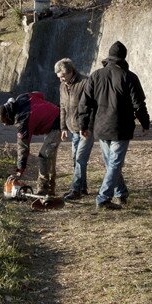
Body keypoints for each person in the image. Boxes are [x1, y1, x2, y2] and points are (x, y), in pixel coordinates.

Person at [76, 41, 149, 211]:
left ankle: (121, 193)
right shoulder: (129, 77)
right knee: (114, 163)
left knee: (111, 163)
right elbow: (138, 104)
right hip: (121, 127)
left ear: (109, 57)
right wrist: (144, 122)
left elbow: (84, 103)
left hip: (100, 127)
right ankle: (103, 198)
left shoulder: (95, 75)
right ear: (123, 57)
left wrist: (83, 125)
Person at [0, 90, 62, 197]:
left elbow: (23, 148)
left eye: (5, 121)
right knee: (49, 157)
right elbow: (39, 94)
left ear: (9, 116)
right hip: (57, 115)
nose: (5, 124)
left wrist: (19, 171)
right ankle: (51, 189)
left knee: (44, 156)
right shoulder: (22, 96)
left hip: (57, 125)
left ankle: (43, 189)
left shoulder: (23, 121)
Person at [55, 57, 93, 201]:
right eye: (59, 77)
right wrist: (63, 127)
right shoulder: (62, 86)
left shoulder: (85, 82)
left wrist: (87, 126)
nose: (61, 80)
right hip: (72, 128)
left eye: (63, 76)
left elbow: (90, 106)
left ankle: (75, 189)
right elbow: (62, 107)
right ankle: (82, 187)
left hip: (86, 128)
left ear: (71, 72)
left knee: (80, 158)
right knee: (75, 158)